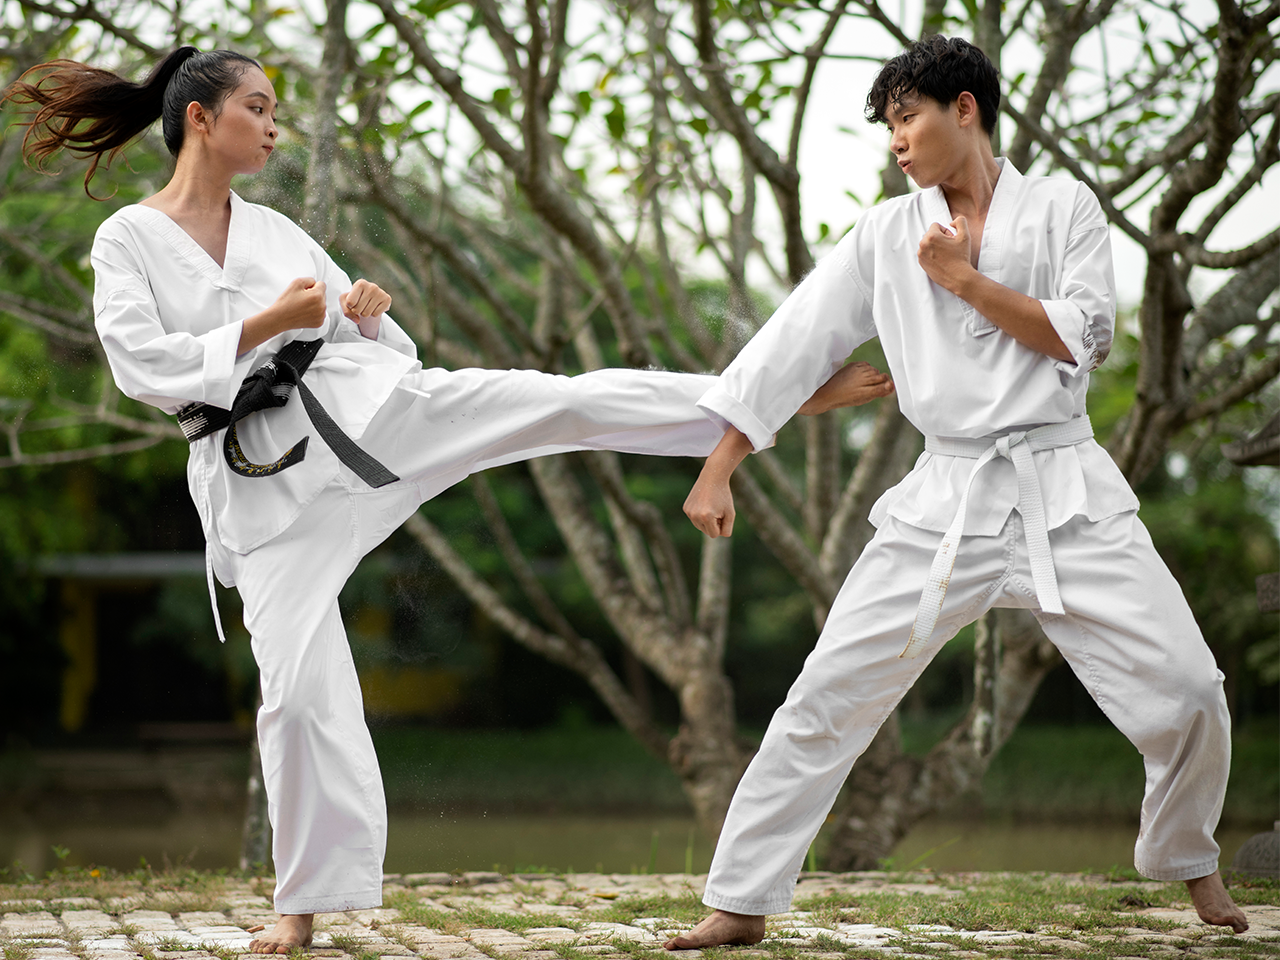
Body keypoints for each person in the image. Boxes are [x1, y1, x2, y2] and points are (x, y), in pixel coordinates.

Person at [5, 47, 894, 954]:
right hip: (266, 486)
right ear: (201, 118)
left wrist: (369, 306)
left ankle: (752, 400)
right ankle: (300, 907)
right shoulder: (129, 237)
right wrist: (268, 322)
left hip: (372, 412)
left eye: (276, 112)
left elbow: (375, 335)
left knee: (556, 400)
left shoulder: (273, 230)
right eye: (259, 109)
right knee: (297, 695)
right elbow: (142, 367)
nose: (275, 128)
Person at [668, 35, 1248, 949]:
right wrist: (721, 462)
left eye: (910, 116)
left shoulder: (1062, 208)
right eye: (890, 126)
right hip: (944, 498)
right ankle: (739, 900)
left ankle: (1188, 856)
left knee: (1190, 690)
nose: (897, 141)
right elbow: (790, 348)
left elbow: (1085, 336)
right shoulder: (884, 235)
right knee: (827, 692)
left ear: (965, 108)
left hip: (1066, 488)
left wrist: (966, 281)